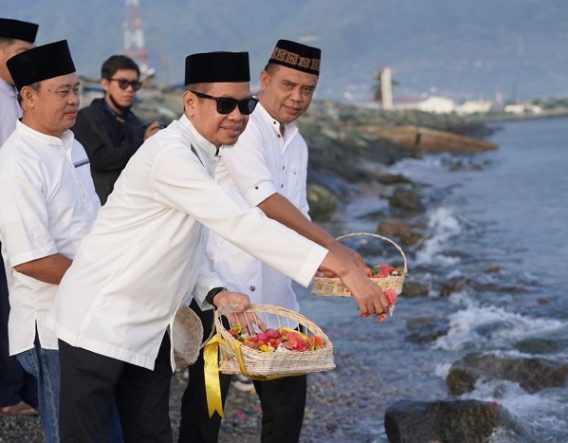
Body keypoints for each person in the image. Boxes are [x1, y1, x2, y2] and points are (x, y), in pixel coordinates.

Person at [49, 50, 388, 443]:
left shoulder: (206, 153)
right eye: (225, 104)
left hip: (152, 325)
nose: (238, 115)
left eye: (245, 105)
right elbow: (240, 222)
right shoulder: (171, 155)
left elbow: (191, 241)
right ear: (190, 102)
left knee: (152, 434)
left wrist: (214, 291)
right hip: (99, 319)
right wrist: (340, 265)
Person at [179, 39, 365, 443]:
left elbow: (300, 216)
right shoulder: (241, 127)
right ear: (264, 81)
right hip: (223, 291)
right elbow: (267, 202)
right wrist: (339, 254)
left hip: (276, 297)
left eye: (307, 89)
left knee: (286, 408)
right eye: (288, 85)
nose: (297, 97)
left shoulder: (297, 143)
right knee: (207, 404)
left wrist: (341, 271)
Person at [0, 40, 100, 442]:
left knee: (96, 425)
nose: (74, 100)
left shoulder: (71, 145)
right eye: (63, 91)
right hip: (51, 324)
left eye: (76, 89)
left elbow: (90, 224)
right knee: (69, 433)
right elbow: (32, 260)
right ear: (28, 96)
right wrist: (109, 281)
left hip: (89, 311)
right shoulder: (16, 163)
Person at [0, 17, 39, 418]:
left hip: (18, 218)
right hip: (5, 216)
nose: (27, 62)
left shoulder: (15, 94)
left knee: (18, 305)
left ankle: (24, 386)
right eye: (20, 55)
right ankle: (8, 393)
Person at [73, 54, 160, 204]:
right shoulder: (85, 118)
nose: (130, 89)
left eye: (135, 84)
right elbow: (99, 160)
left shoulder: (136, 122)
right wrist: (144, 143)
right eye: (123, 83)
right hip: (99, 207)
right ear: (105, 83)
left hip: (133, 205)